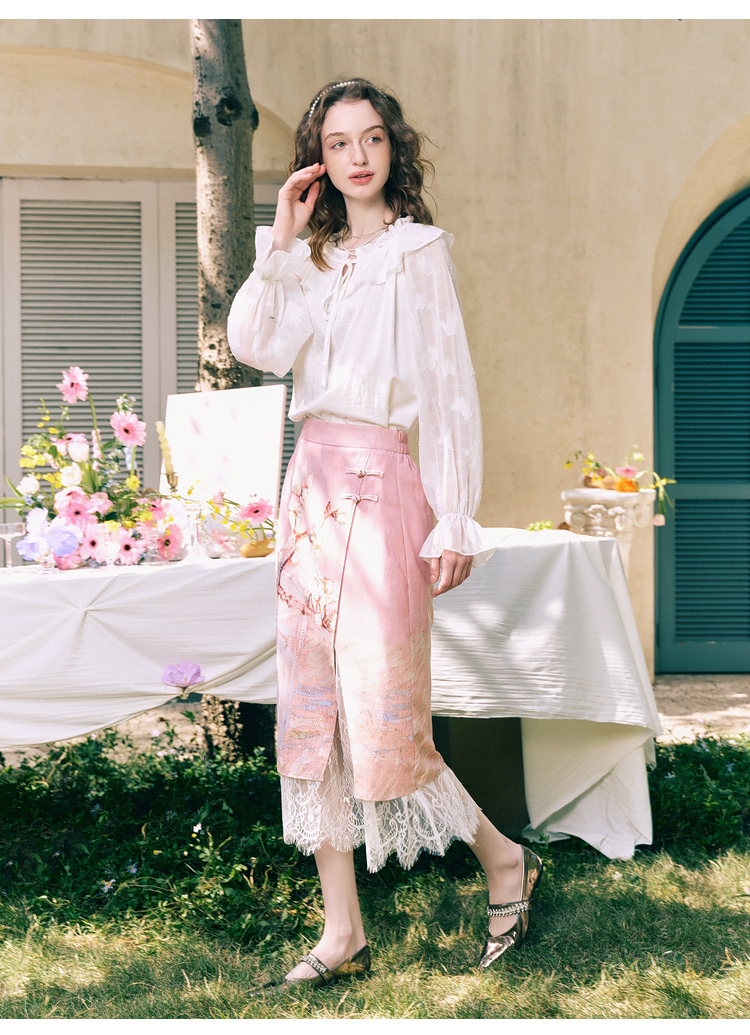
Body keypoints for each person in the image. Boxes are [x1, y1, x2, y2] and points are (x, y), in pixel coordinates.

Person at [227, 78, 542, 988]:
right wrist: (282, 238)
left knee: (384, 712)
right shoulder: (309, 262)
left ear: (393, 148)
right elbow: (255, 345)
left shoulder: (418, 254)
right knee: (311, 716)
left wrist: (455, 514)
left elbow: (450, 391)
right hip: (310, 494)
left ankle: (504, 859)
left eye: (371, 138)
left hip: (386, 484)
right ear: (317, 161)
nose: (357, 156)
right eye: (337, 143)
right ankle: (342, 930)